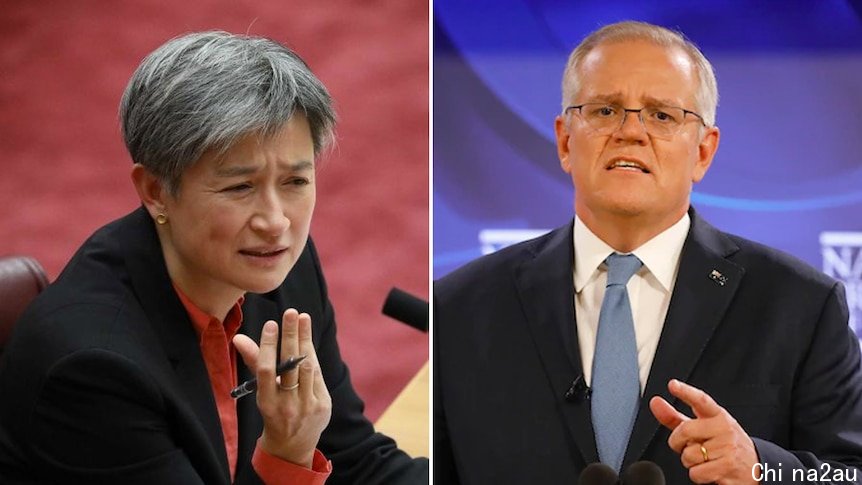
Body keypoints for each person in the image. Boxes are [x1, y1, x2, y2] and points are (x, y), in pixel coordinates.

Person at [433, 20, 862, 484]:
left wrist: (762, 468)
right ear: (564, 140)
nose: (630, 132)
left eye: (661, 115)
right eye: (604, 110)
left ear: (703, 151)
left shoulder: (800, 305)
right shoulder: (461, 308)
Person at [0, 31, 428, 485]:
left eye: (296, 182)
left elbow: (355, 460)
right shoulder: (92, 368)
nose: (276, 221)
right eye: (239, 187)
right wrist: (287, 455)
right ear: (156, 191)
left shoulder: (279, 265)